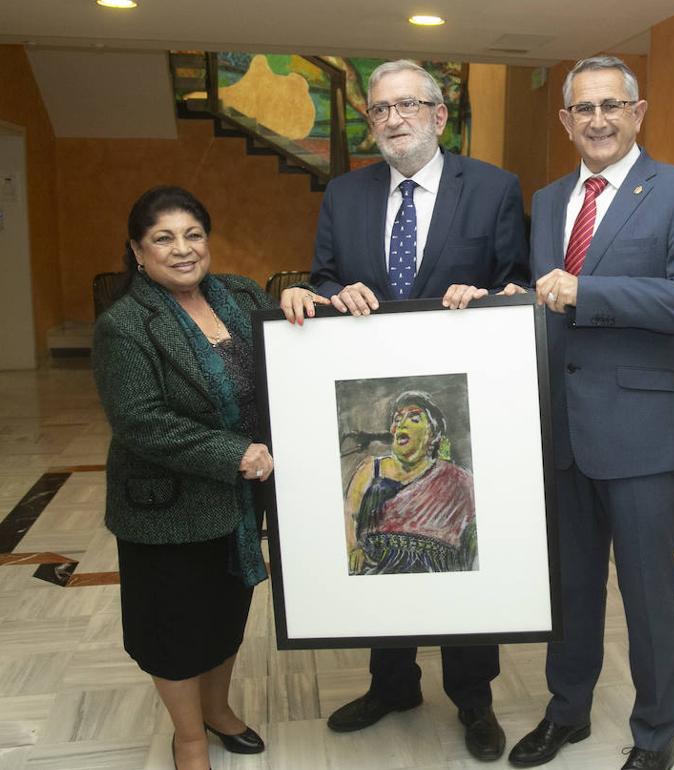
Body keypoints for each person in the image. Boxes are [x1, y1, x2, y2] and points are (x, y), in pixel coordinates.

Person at [445, 55, 674, 770]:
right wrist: (498, 306)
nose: (597, 120)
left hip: (642, 437)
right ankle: (566, 713)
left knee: (647, 597)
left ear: (638, 112)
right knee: (569, 593)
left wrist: (587, 291)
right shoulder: (548, 199)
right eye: (583, 109)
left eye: (612, 105)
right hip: (561, 433)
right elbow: (545, 307)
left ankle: (656, 739)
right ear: (565, 120)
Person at [279, 59, 527, 761]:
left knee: (455, 548)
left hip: (462, 407)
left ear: (440, 116)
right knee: (382, 541)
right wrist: (330, 290)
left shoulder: (494, 189)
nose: (392, 120)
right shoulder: (345, 192)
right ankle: (393, 683)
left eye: (408, 106)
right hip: (380, 398)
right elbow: (324, 277)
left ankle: (473, 699)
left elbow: (517, 283)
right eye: (380, 110)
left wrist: (490, 297)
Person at [93, 186, 276, 770]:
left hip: (241, 498)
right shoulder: (125, 324)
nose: (182, 250)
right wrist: (234, 453)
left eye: (193, 234)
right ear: (137, 251)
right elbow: (141, 423)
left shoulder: (242, 295)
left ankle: (217, 711)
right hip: (166, 504)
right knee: (174, 626)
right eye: (163, 239)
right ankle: (189, 737)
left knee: (226, 613)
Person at [344, 391, 477, 575]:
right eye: (398, 419)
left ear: (433, 434)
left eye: (414, 418)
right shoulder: (369, 470)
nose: (401, 424)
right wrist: (352, 550)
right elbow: (349, 514)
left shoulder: (458, 481)